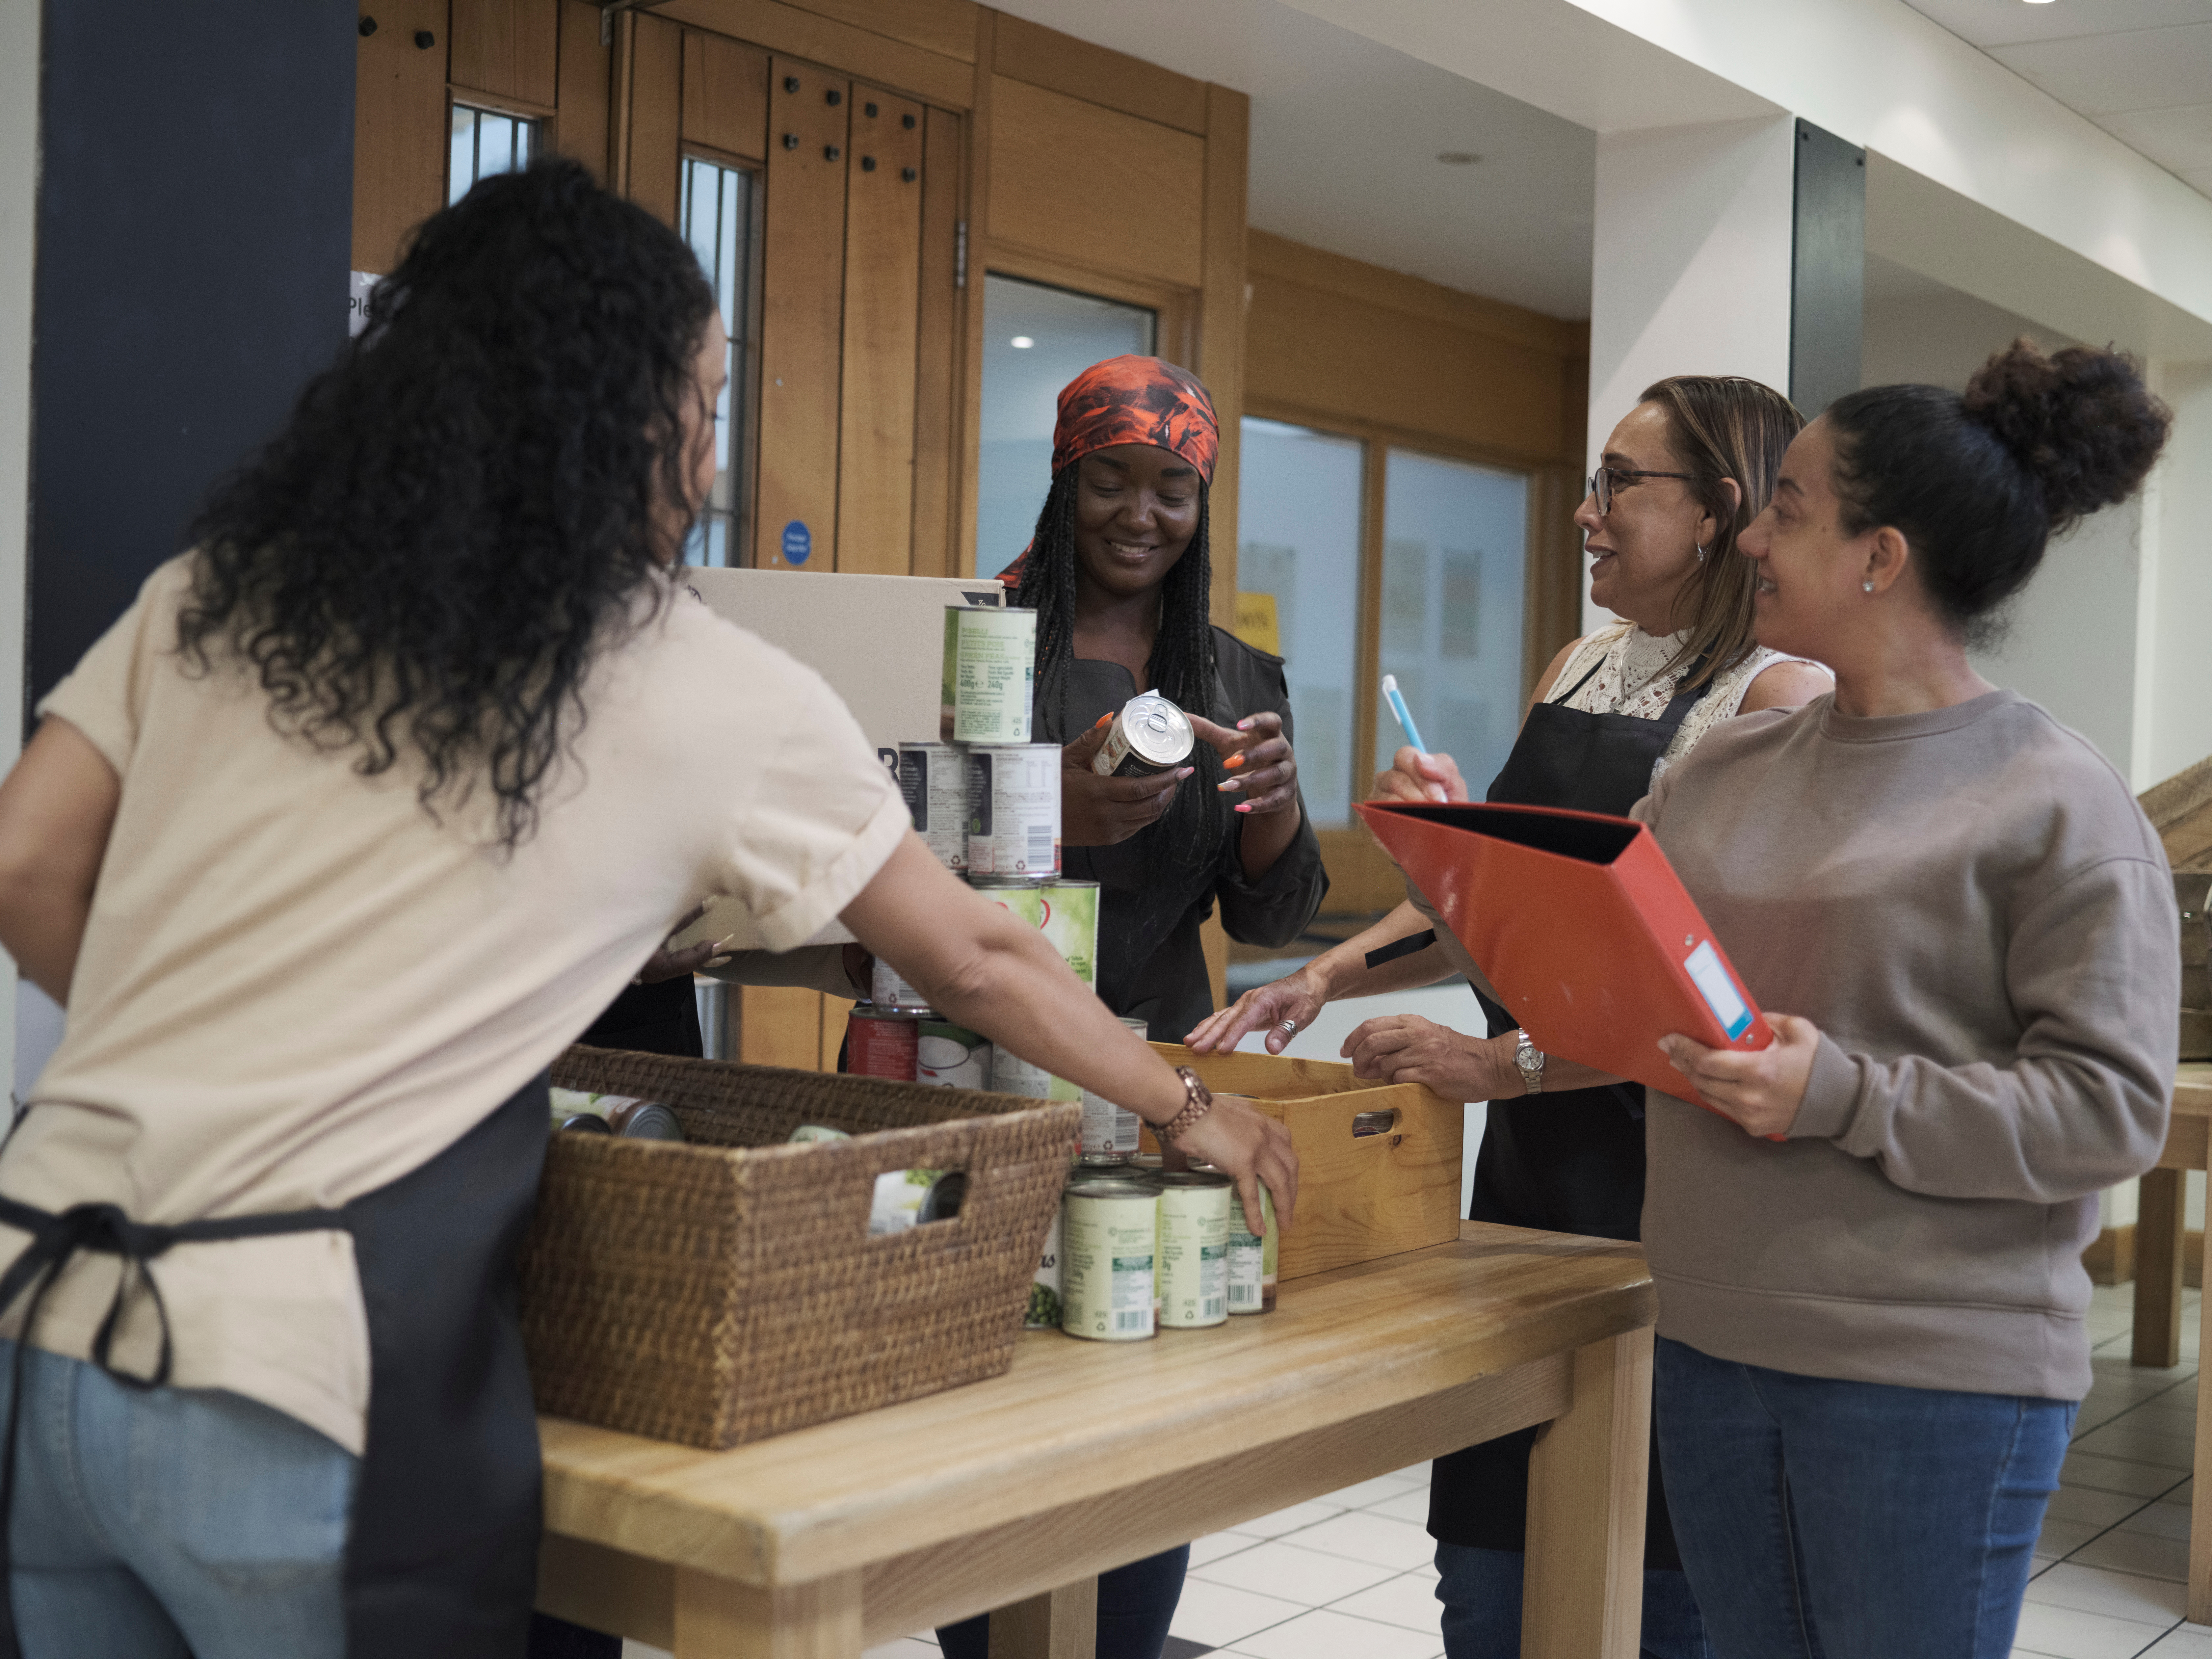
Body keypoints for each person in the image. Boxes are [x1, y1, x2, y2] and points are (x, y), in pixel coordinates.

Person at [0, 159, 1295, 1659]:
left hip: (47, 1319)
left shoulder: (227, 591)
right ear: (641, 417)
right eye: (708, 399)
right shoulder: (689, 678)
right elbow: (982, 953)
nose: (708, 443)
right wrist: (1185, 1101)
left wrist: (213, 1049)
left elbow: (30, 873)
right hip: (305, 1370)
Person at [1189, 376, 1832, 1659]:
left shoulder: (1781, 698)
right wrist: (1331, 973)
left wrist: (1504, 1060)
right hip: (1531, 1181)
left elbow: (1727, 996)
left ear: (1714, 511)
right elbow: (1511, 908)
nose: (1586, 514)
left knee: (1645, 1584)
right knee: (1487, 1566)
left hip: (1675, 1190)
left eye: (1616, 486)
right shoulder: (1582, 661)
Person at [1641, 341, 2176, 1657]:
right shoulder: (1723, 772)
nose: (1753, 534)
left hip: (1930, 1375)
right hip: (1709, 1332)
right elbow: (1636, 966)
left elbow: (2110, 1113)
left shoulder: (2057, 799)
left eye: (1791, 509)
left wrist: (1840, 1093)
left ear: (1880, 560)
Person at [933, 358, 1329, 1659]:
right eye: (1110, 478)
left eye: (1175, 488)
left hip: (1156, 1099)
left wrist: (1271, 813)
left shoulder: (1230, 673)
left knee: (1144, 1416)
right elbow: (886, 862)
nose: (1141, 513)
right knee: (971, 1428)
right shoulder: (979, 639)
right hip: (968, 1080)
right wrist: (1048, 807)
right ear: (1064, 477)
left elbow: (1271, 922)